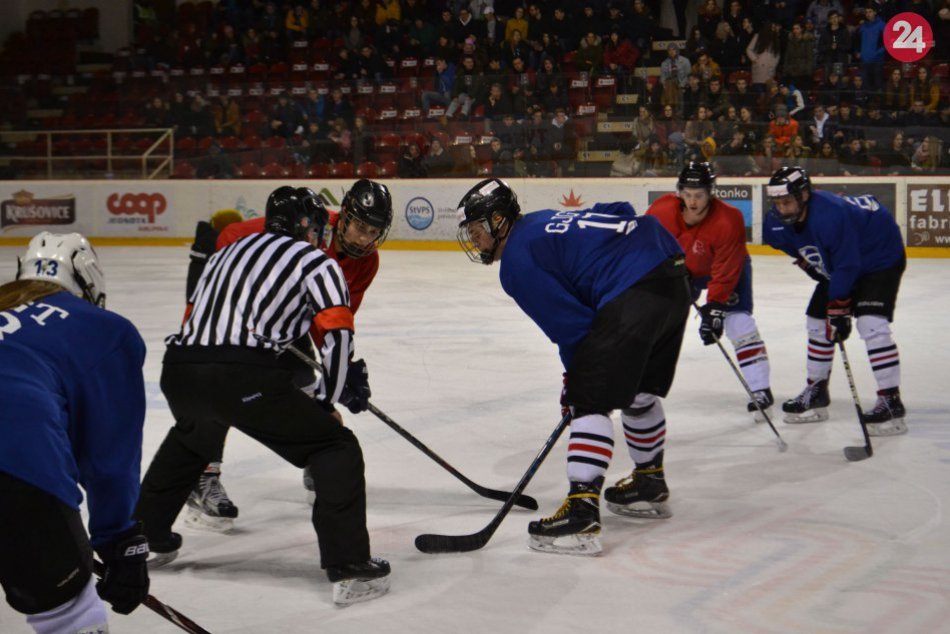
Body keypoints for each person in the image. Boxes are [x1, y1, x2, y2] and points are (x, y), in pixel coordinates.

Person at [135, 186, 390, 604]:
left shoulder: (224, 255)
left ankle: (145, 536)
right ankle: (349, 566)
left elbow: (197, 316)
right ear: (310, 226)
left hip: (179, 369)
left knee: (191, 438)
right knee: (334, 445)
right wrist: (328, 397)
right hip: (243, 376)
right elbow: (337, 336)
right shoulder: (315, 261)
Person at [455, 178, 690, 556]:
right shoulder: (542, 220)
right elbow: (621, 211)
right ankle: (648, 481)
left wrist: (575, 382)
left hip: (633, 286)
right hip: (672, 272)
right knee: (640, 390)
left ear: (499, 221)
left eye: (478, 229)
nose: (475, 239)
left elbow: (575, 329)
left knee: (589, 399)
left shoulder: (517, 261)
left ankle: (581, 513)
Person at [181, 180, 393, 530]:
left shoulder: (367, 262)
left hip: (287, 322)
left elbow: (334, 316)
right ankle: (202, 477)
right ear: (344, 217)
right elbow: (229, 235)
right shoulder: (306, 221)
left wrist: (341, 364)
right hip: (239, 318)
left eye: (373, 231)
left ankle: (318, 462)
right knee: (223, 385)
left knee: (309, 390)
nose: (363, 238)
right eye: (359, 227)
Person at [0, 232, 150, 632]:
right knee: (69, 617)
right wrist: (119, 540)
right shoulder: (103, 328)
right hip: (14, 461)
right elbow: (109, 459)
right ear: (89, 280)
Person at [764, 166, 907, 436]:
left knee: (871, 324)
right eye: (778, 203)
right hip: (843, 259)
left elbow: (848, 264)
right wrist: (808, 264)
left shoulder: (830, 215)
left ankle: (890, 400)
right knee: (816, 321)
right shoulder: (775, 223)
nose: (782, 209)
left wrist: (839, 308)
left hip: (880, 257)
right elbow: (787, 245)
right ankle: (816, 390)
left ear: (804, 195)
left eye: (787, 202)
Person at [647, 163, 773, 419]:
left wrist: (715, 307)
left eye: (699, 195)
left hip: (727, 267)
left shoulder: (729, 219)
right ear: (679, 192)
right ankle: (641, 381)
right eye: (688, 194)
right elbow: (648, 246)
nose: (692, 201)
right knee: (658, 320)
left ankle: (761, 390)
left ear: (711, 193)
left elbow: (726, 268)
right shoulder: (660, 210)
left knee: (739, 323)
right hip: (683, 271)